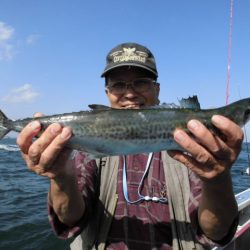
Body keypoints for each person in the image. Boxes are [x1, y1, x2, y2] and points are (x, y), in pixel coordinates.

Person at [17, 42, 243, 250]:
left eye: (141, 82)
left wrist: (217, 179)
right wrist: (62, 177)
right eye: (118, 85)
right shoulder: (85, 151)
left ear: (157, 89)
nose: (130, 93)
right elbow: (70, 219)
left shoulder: (194, 151)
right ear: (107, 93)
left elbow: (216, 232)